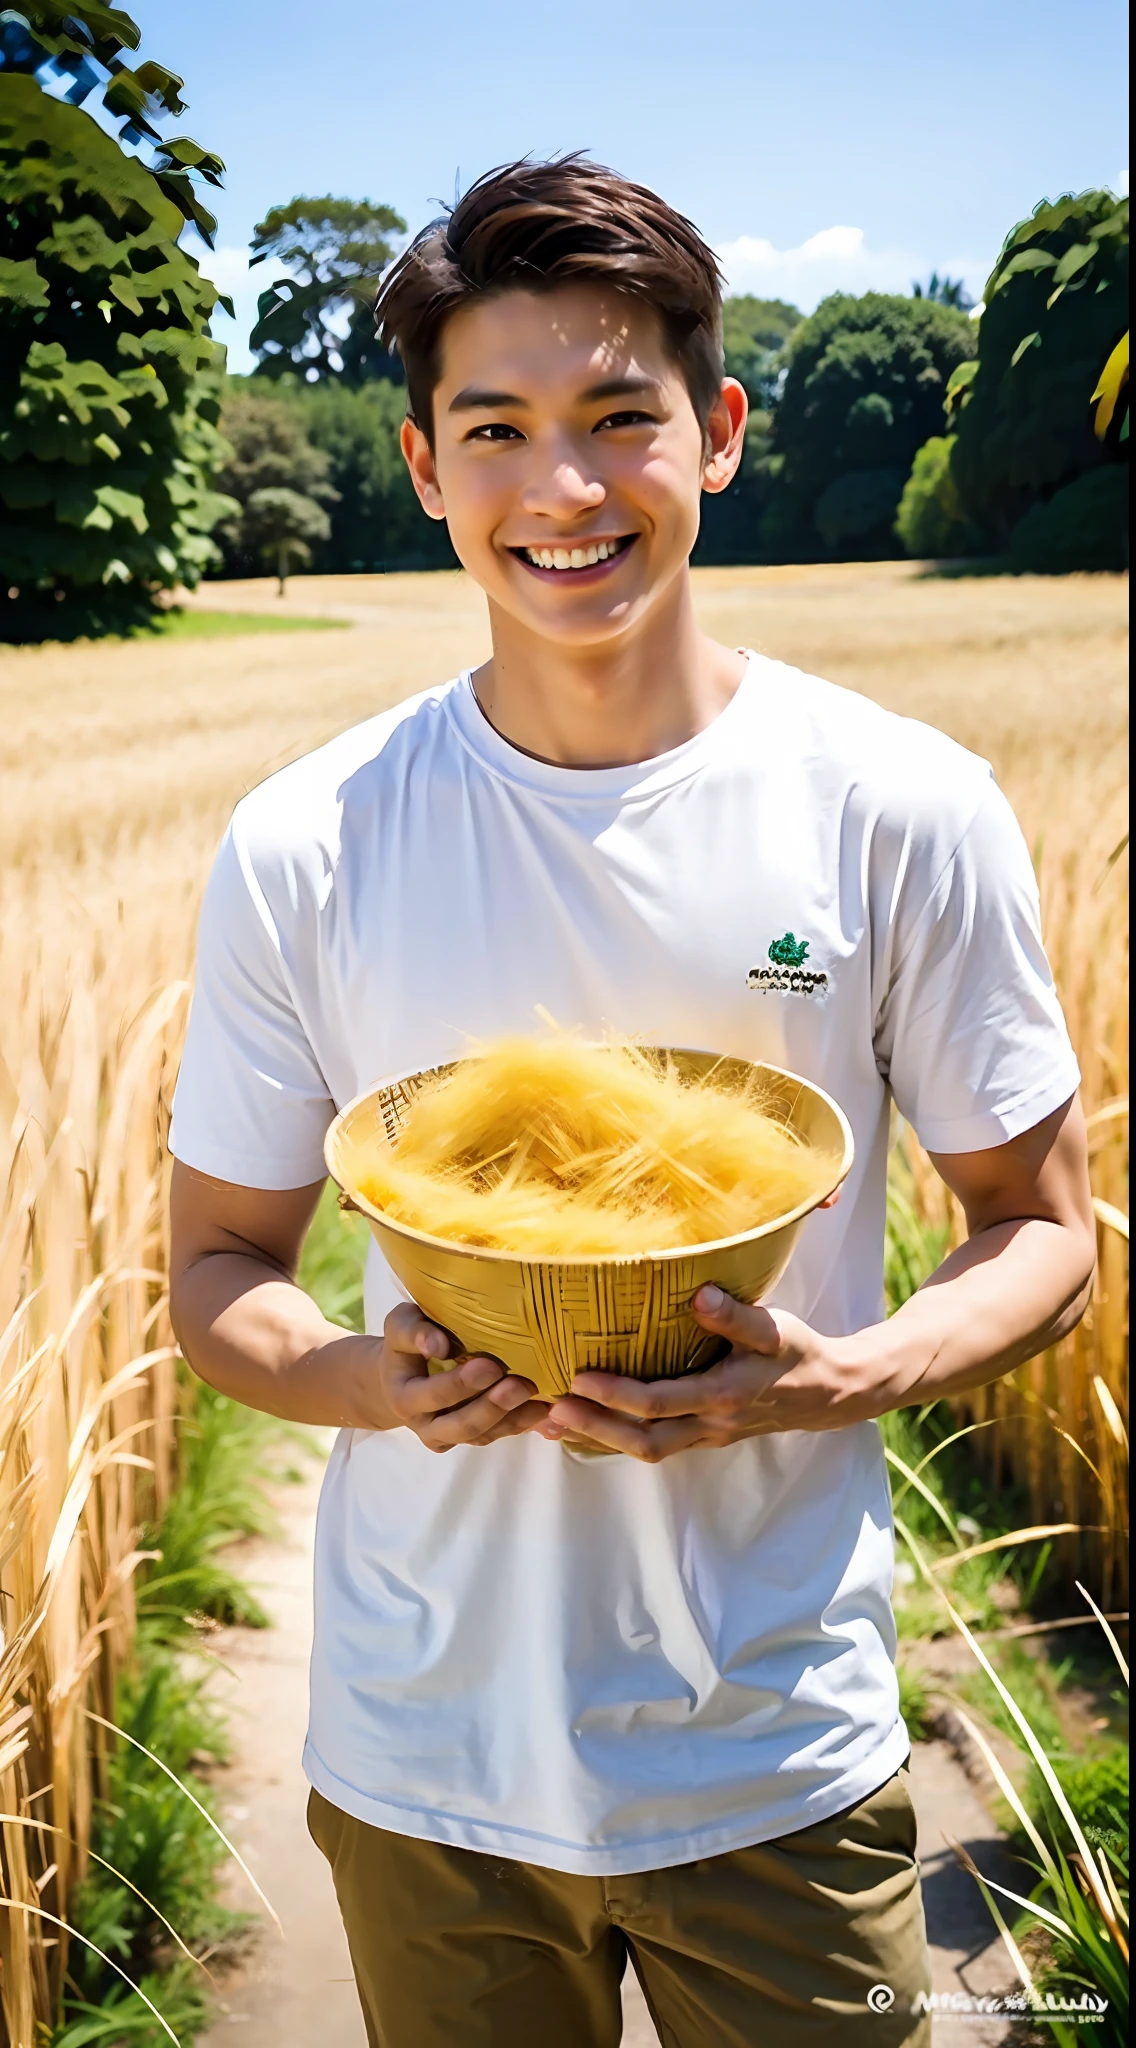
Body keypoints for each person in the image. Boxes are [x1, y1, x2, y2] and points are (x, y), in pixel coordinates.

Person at [168, 157, 1095, 2048]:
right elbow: (218, 1270)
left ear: (719, 431)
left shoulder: (895, 804)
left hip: (777, 1744)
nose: (562, 490)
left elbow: (1044, 1229)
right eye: (495, 428)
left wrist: (843, 1375)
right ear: (424, 463)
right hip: (423, 1762)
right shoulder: (309, 843)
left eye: (619, 420)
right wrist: (368, 1381)